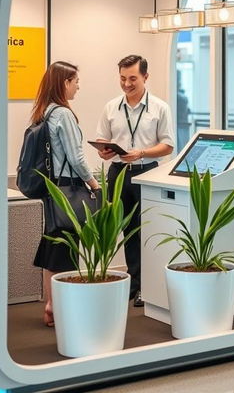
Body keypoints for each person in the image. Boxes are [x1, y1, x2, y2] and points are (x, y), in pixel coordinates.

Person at [96, 55, 174, 307]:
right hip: (117, 174)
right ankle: (131, 284)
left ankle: (145, 287)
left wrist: (141, 152)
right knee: (121, 230)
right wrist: (104, 152)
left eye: (132, 78)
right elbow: (102, 142)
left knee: (144, 231)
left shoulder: (160, 107)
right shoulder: (111, 107)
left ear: (145, 77)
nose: (127, 84)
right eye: (122, 78)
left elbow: (168, 146)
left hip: (147, 172)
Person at [30, 61, 100, 328]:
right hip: (68, 189)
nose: (78, 86)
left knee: (54, 244)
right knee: (66, 247)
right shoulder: (64, 115)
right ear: (64, 83)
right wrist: (94, 184)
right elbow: (77, 158)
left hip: (52, 188)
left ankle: (51, 306)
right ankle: (58, 308)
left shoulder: (44, 111)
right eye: (75, 81)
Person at [176, 85, 191, 152]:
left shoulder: (180, 97)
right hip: (182, 124)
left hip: (182, 124)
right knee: (183, 146)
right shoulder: (181, 97)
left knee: (182, 147)